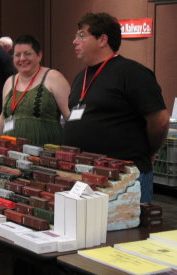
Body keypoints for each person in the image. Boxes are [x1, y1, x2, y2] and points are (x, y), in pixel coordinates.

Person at [63, 12, 170, 203]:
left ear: (102, 39)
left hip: (124, 177)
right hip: (85, 174)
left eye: (81, 35)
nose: (74, 41)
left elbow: (159, 121)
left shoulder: (132, 73)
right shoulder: (81, 77)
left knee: (127, 231)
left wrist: (150, 149)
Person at [0, 35, 70, 146]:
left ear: (39, 55)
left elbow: (69, 117)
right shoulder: (10, 81)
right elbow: (3, 116)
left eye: (27, 54)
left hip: (46, 155)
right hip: (11, 153)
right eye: (17, 55)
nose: (22, 59)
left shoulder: (53, 78)